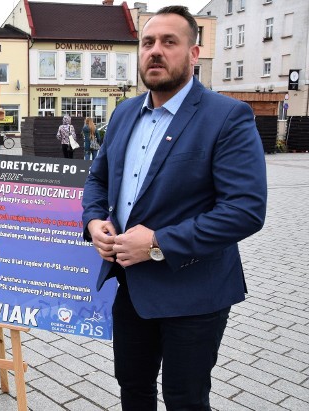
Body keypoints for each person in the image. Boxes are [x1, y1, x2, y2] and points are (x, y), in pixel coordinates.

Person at [81, 6, 267, 410]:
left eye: (169, 42)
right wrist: (94, 220)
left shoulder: (227, 116)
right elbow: (98, 179)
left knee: (185, 399)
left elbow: (245, 209)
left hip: (195, 291)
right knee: (133, 388)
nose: (155, 51)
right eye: (148, 42)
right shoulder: (125, 112)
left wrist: (158, 243)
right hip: (132, 287)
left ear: (194, 53)